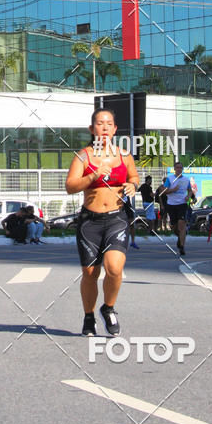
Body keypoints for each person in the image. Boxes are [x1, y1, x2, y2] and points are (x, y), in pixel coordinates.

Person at [65, 108, 139, 337]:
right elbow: (70, 186)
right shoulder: (83, 156)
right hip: (90, 221)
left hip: (116, 218)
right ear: (91, 128)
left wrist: (132, 186)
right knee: (90, 273)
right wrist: (93, 176)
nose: (104, 127)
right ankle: (89, 316)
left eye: (109, 124)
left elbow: (134, 177)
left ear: (115, 129)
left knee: (114, 268)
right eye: (99, 123)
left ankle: (108, 308)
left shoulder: (124, 155)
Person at [162, 162, 192, 256]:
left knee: (182, 225)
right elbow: (164, 191)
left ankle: (182, 246)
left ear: (182, 169)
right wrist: (173, 190)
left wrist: (188, 196)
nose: (179, 169)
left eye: (180, 168)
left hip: (182, 204)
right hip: (171, 205)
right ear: (174, 169)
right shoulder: (170, 179)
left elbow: (190, 190)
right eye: (177, 168)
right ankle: (180, 238)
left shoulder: (186, 180)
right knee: (174, 227)